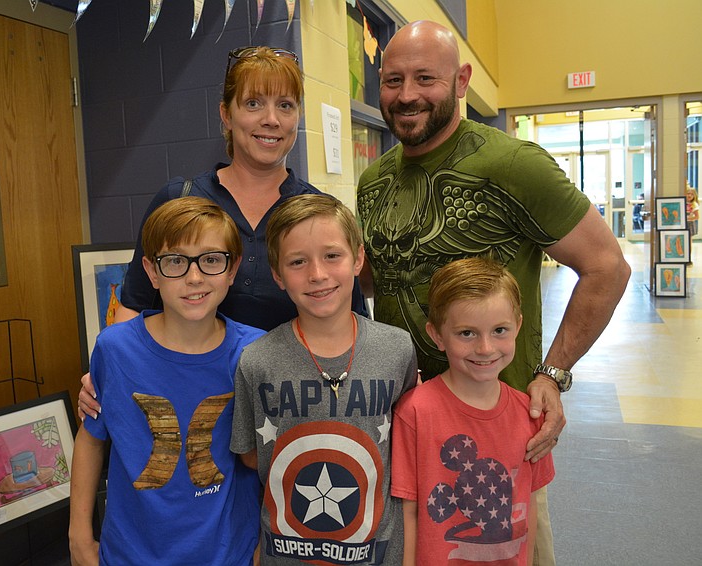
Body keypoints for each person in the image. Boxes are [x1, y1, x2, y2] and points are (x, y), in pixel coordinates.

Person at [356, 20, 630, 563]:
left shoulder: (513, 164)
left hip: (500, 438)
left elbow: (606, 266)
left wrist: (551, 374)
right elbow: (376, 281)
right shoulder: (374, 181)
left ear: (460, 81)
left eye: (425, 79)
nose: (407, 95)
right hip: (404, 431)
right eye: (392, 80)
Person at [78, 45, 366, 420]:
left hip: (289, 412)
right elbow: (134, 305)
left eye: (285, 105)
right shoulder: (180, 199)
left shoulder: (316, 212)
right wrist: (106, 374)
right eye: (253, 103)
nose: (271, 119)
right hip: (186, 404)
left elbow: (353, 320)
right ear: (226, 114)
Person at [68, 197, 264, 566]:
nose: (194, 277)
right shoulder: (115, 348)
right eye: (175, 260)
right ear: (151, 271)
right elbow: (91, 439)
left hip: (229, 553)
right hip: (131, 553)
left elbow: (273, 458)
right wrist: (78, 535)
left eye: (211, 259)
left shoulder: (254, 353)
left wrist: (263, 547)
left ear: (232, 269)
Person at [230, 194, 418, 565]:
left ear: (358, 259)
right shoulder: (256, 360)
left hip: (377, 553)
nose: (317, 274)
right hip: (286, 554)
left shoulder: (397, 348)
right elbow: (252, 456)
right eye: (298, 262)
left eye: (332, 256)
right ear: (278, 275)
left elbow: (407, 447)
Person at [392, 256, 555, 566]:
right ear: (437, 335)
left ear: (518, 326)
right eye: (466, 333)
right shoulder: (415, 412)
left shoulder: (530, 414)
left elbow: (528, 503)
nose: (485, 348)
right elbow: (408, 512)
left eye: (499, 330)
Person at [686, 184, 698, 264]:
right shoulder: (684, 203)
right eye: (688, 193)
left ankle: (688, 258)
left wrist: (689, 218)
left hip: (690, 224)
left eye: (691, 194)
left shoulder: (694, 205)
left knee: (689, 242)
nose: (689, 195)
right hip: (683, 224)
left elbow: (697, 217)